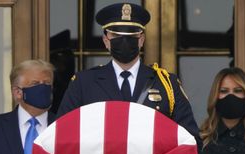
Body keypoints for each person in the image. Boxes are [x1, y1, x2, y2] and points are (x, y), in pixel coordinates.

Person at [56, 2, 199, 139]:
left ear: (141, 40)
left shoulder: (167, 84)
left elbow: (189, 139)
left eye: (131, 35)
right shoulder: (84, 83)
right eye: (117, 36)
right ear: (106, 41)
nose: (124, 40)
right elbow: (61, 135)